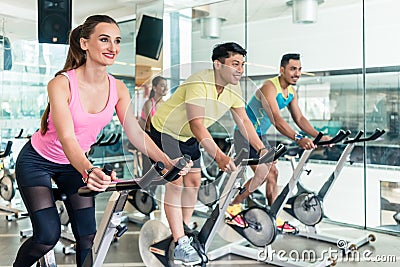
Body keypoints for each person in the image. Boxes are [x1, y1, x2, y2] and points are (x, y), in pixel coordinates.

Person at [12, 15, 190, 267]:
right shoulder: (61, 83)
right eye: (104, 40)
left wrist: (166, 160)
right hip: (37, 162)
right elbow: (67, 138)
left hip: (74, 165)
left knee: (88, 238)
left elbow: (136, 132)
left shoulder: (117, 88)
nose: (113, 47)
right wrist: (89, 170)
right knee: (47, 236)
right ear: (84, 43)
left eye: (117, 41)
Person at [149, 42, 273, 265]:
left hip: (187, 136)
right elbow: (197, 124)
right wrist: (219, 156)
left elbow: (244, 121)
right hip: (165, 131)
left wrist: (261, 148)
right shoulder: (199, 82)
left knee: (194, 180)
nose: (240, 70)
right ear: (218, 64)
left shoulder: (233, 89)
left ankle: (184, 228)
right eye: (235, 64)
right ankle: (180, 243)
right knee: (176, 182)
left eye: (242, 65)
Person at [227, 53, 331, 232]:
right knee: (263, 174)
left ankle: (273, 215)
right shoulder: (269, 87)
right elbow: (277, 119)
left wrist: (319, 136)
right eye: (292, 69)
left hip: (260, 135)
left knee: (273, 174)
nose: (297, 73)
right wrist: (298, 138)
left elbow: (299, 118)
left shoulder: (291, 92)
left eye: (299, 69)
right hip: (245, 135)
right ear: (281, 70)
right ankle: (232, 207)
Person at [138, 76, 168, 174]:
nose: (166, 88)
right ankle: (145, 189)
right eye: (162, 85)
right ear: (154, 88)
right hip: (149, 139)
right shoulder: (149, 104)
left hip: (160, 138)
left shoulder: (166, 104)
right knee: (148, 169)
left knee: (160, 169)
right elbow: (150, 126)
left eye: (166, 86)